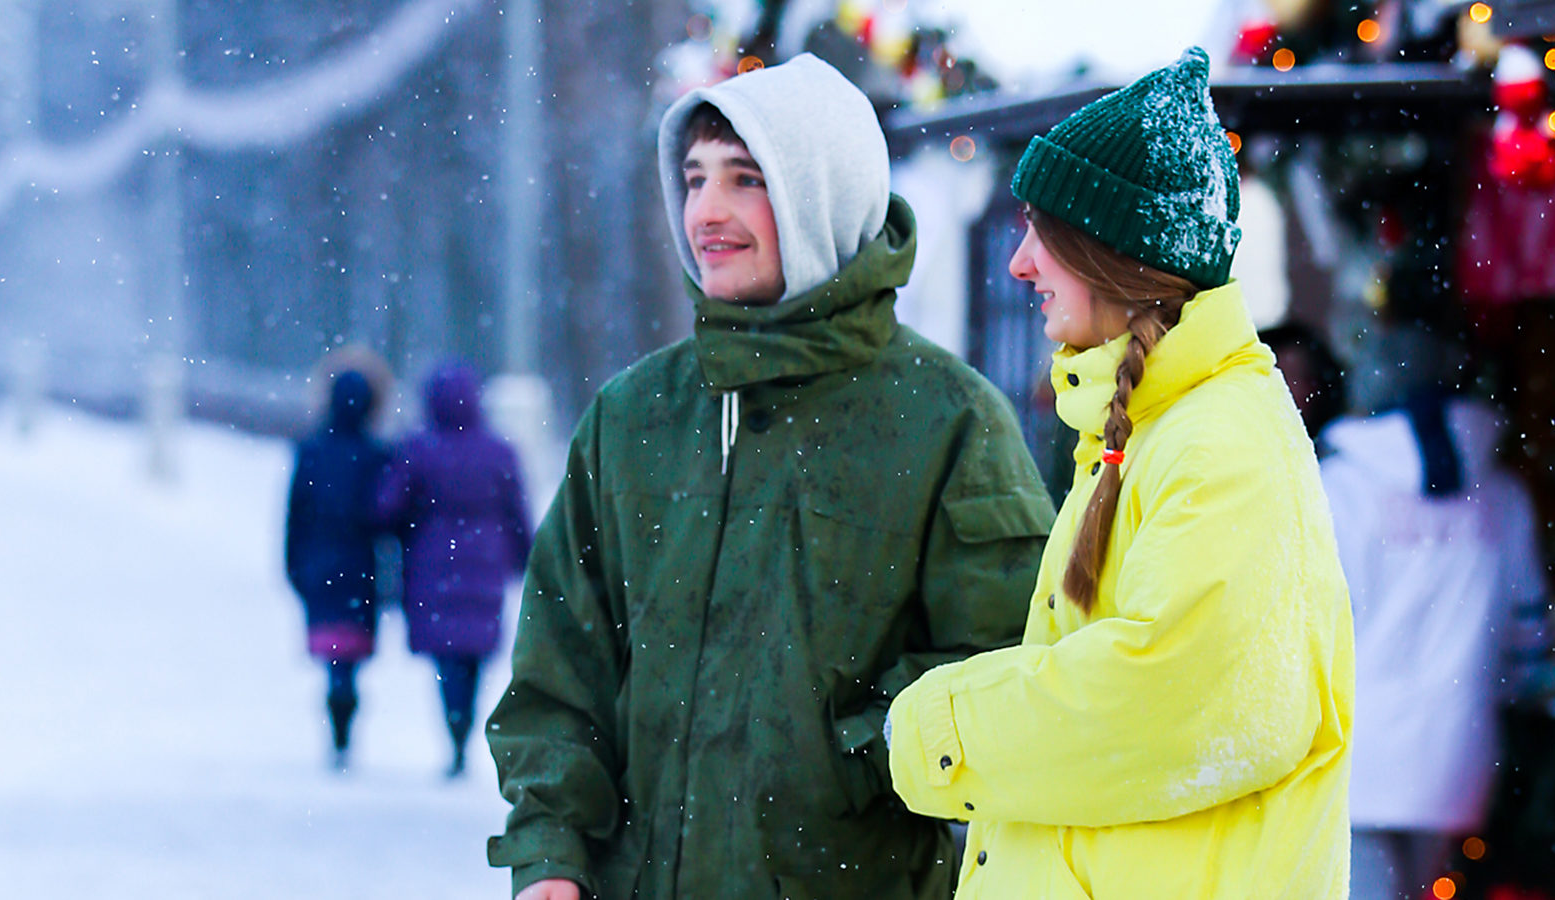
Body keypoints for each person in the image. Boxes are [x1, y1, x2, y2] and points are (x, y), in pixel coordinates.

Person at [486, 53, 1054, 900]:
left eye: (745, 180)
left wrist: (854, 753)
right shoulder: (634, 416)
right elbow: (559, 672)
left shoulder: (950, 422)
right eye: (694, 179)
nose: (705, 211)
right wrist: (549, 854)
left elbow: (1006, 668)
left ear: (822, 194)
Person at [886, 47, 1355, 899]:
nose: (1019, 263)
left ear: (1117, 255)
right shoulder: (1147, 428)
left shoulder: (1220, 444)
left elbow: (1172, 699)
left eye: (1044, 233)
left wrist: (939, 729)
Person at [1319, 377, 1550, 900]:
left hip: (1354, 754)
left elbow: (1307, 626)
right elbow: (1527, 630)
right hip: (1456, 754)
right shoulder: (1503, 495)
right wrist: (1506, 689)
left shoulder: (1337, 487)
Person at [376, 360, 532, 778]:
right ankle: (465, 726)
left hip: (433, 561)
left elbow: (389, 508)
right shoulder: (498, 452)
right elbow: (517, 511)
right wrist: (525, 558)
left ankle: (456, 728)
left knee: (447, 656)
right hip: (486, 561)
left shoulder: (418, 449)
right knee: (474, 652)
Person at [284, 364, 390, 771]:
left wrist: (294, 564)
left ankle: (338, 719)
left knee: (334, 651)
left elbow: (295, 514)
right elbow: (387, 514)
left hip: (319, 563)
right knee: (351, 649)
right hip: (360, 565)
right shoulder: (376, 454)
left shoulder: (312, 450)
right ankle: (344, 714)